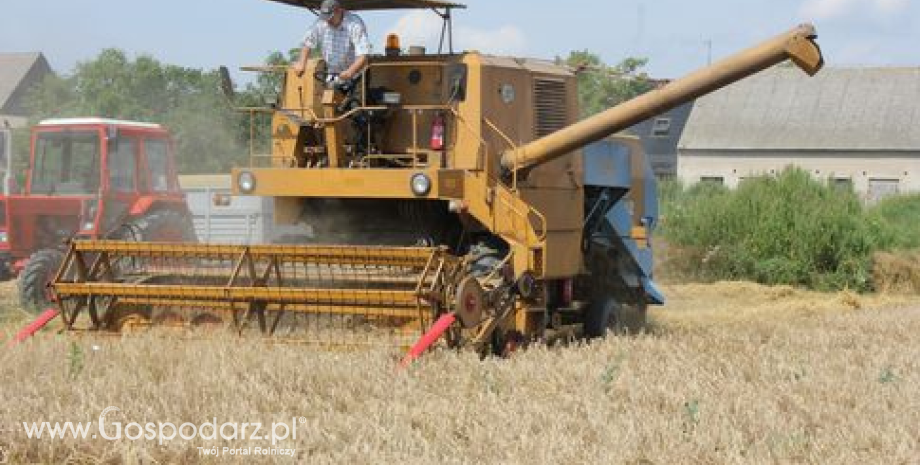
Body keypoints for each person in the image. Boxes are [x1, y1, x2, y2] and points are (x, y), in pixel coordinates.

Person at [293, 0, 371, 82]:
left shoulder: (354, 24)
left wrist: (350, 71)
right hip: (332, 75)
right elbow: (307, 42)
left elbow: (363, 54)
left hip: (356, 76)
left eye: (330, 17)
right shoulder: (321, 22)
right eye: (325, 17)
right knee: (327, 93)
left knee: (357, 92)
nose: (327, 21)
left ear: (339, 11)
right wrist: (302, 63)